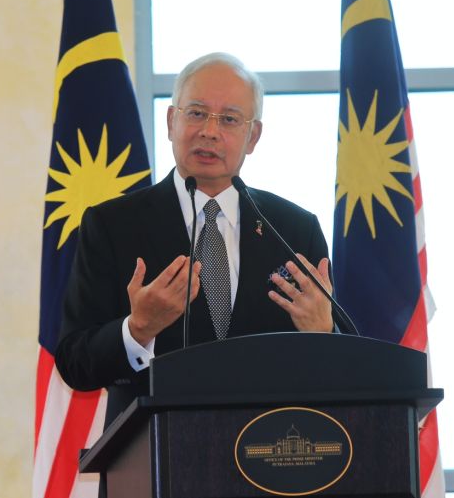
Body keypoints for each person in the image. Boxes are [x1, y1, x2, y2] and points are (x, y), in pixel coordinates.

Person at [54, 52, 335, 432]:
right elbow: (74, 363)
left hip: (268, 449)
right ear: (172, 121)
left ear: (252, 136)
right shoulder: (112, 225)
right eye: (197, 113)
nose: (210, 131)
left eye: (229, 119)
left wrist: (324, 334)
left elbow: (341, 364)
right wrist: (137, 329)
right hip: (153, 451)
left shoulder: (293, 229)